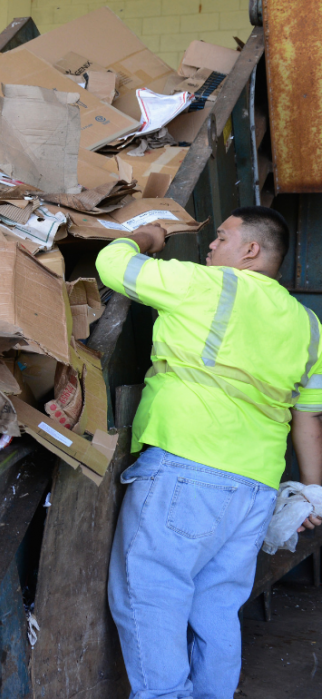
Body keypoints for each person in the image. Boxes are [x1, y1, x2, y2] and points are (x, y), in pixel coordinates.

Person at [95, 206, 322, 699]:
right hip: (254, 489)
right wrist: (312, 491)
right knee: (216, 608)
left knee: (151, 596)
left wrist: (145, 235)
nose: (210, 247)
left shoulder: (208, 284)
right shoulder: (309, 325)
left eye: (221, 238)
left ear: (251, 250)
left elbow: (112, 265)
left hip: (188, 469)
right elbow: (309, 415)